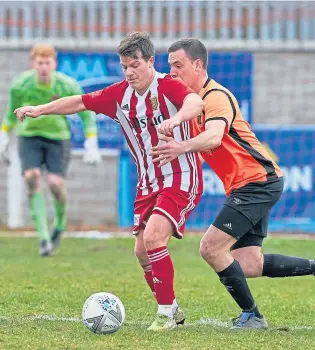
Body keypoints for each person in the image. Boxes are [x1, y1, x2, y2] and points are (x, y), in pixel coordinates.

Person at [150, 38, 315, 329]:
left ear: (198, 65)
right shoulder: (192, 105)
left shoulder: (215, 96)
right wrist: (177, 151)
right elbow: (205, 149)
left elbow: (214, 137)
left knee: (210, 248)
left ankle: (253, 315)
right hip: (252, 183)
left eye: (177, 65)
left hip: (256, 182)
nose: (172, 72)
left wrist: (181, 147)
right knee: (249, 263)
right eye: (169, 67)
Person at [15, 32, 204, 331]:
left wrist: (177, 119)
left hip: (180, 176)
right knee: (141, 251)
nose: (129, 72)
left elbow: (195, 102)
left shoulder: (168, 85)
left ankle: (165, 314)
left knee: (155, 237)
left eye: (135, 65)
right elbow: (78, 102)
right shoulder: (119, 95)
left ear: (151, 61)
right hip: (148, 183)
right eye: (124, 66)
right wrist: (40, 110)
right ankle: (173, 307)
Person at [0, 44, 101, 257]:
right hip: (29, 136)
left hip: (58, 138)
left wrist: (91, 142)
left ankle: (60, 222)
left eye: (47, 63)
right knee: (31, 177)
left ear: (54, 63)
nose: (44, 67)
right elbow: (10, 114)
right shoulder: (21, 84)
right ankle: (44, 238)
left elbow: (86, 112)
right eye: (40, 63)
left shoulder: (67, 85)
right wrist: (3, 136)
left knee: (55, 184)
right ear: (33, 63)